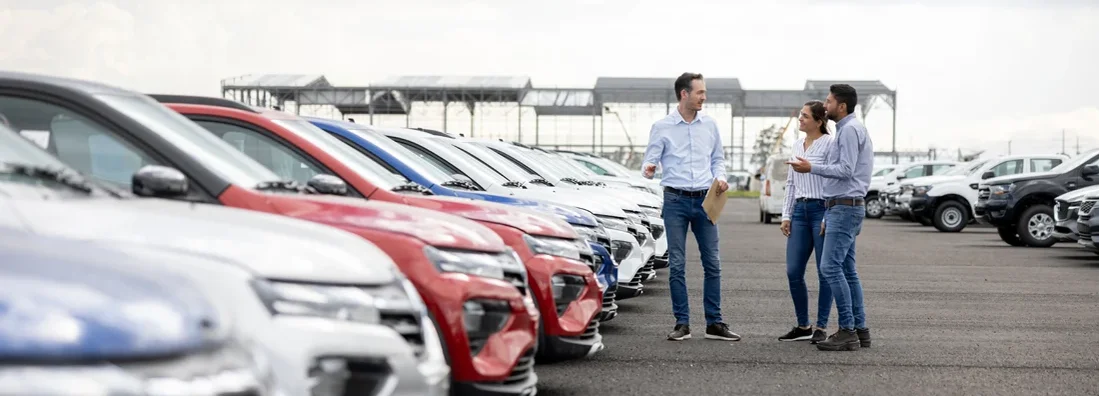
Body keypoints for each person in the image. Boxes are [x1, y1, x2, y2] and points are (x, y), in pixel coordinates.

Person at [641, 72, 738, 342]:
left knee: (713, 264)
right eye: (700, 93)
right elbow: (648, 163)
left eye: (704, 92)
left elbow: (718, 159)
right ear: (684, 94)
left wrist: (721, 178)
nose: (704, 97)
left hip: (706, 201)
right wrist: (649, 169)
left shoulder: (710, 125)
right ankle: (682, 323)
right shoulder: (662, 127)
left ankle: (714, 323)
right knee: (678, 265)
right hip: (675, 201)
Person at [786, 83, 874, 351]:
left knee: (830, 268)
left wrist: (812, 167)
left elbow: (846, 170)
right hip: (845, 206)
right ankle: (861, 330)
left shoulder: (848, 131)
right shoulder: (852, 129)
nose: (825, 105)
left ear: (841, 106)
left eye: (828, 101)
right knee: (847, 270)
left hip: (844, 207)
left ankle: (847, 330)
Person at [777, 100, 835, 344]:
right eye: (800, 115)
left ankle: (821, 326)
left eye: (805, 116)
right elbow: (791, 182)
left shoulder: (830, 144)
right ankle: (803, 326)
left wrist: (829, 215)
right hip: (800, 210)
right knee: (793, 271)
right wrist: (786, 214)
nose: (800, 119)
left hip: (821, 209)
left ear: (819, 121)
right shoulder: (797, 144)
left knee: (825, 272)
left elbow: (835, 180)